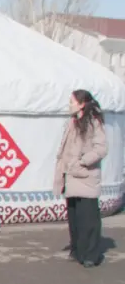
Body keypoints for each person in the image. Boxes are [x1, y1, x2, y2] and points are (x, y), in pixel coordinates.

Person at [54, 89, 108, 268]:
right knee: (75, 218)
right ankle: (78, 250)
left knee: (89, 219)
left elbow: (101, 148)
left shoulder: (93, 122)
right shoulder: (72, 122)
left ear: (82, 103)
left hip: (85, 176)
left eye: (72, 101)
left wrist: (83, 162)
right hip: (71, 176)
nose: (69, 104)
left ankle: (91, 254)